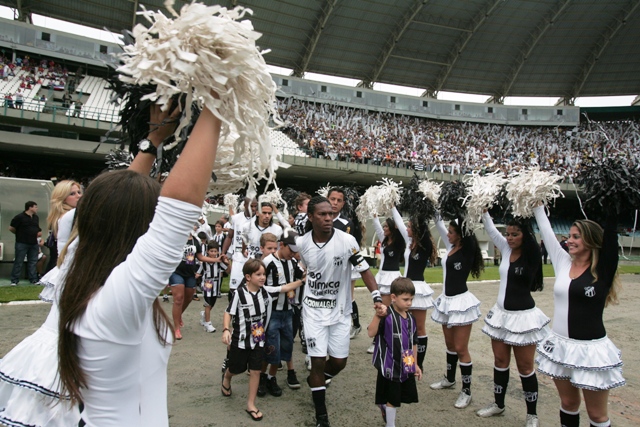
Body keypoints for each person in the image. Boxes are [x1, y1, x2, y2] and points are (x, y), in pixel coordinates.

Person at [57, 99, 222, 426]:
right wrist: (218, 99)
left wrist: (154, 139)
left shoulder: (76, 265)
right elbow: (179, 207)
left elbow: (116, 201)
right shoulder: (116, 299)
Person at [534, 205, 624, 427]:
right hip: (561, 345)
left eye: (577, 237)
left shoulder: (602, 269)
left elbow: (611, 239)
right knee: (568, 403)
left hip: (590, 350)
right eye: (569, 236)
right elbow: (545, 229)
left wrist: (613, 206)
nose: (569, 240)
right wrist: (535, 200)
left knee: (597, 415)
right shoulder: (563, 262)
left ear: (592, 241)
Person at [298, 196, 382, 427]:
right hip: (313, 312)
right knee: (317, 362)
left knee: (338, 362)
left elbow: (364, 270)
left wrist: (376, 297)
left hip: (340, 312)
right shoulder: (303, 243)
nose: (328, 218)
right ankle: (321, 416)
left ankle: (317, 381)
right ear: (311, 217)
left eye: (330, 214)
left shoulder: (347, 241)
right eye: (322, 214)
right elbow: (303, 267)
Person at [478, 213, 549, 427]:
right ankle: (498, 405)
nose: (509, 238)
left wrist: (535, 209)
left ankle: (532, 415)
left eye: (514, 234)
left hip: (523, 318)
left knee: (525, 367)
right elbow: (491, 230)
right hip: (500, 315)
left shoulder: (533, 253)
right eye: (507, 234)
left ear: (524, 235)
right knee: (500, 362)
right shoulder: (506, 249)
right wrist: (483, 209)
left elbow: (542, 231)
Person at [221, 258, 304, 422]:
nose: (262, 277)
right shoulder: (239, 293)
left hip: (258, 339)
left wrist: (302, 281)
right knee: (236, 368)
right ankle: (227, 377)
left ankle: (250, 404)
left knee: (256, 371)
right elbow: (228, 312)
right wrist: (225, 329)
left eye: (264, 274)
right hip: (241, 339)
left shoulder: (266, 291)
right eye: (258, 274)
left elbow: (285, 287)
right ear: (248, 277)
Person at [430, 216, 484, 409]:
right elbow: (438, 223)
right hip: (446, 301)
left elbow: (466, 222)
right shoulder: (451, 247)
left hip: (461, 302)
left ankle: (466, 391)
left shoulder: (468, 250)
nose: (447, 234)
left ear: (461, 235)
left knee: (461, 348)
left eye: (451, 232)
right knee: (450, 344)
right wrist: (435, 207)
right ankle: (449, 379)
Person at [369, 277, 422, 427]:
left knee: (399, 397)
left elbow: (414, 343)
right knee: (393, 398)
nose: (409, 303)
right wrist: (378, 315)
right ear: (393, 297)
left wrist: (415, 365)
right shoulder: (387, 316)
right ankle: (390, 424)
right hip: (389, 365)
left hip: (405, 363)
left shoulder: (411, 319)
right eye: (405, 299)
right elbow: (370, 333)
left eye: (411, 299)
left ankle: (384, 407)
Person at [259, 231, 305, 397]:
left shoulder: (292, 262)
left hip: (288, 311)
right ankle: (262, 378)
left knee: (286, 346)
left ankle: (272, 377)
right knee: (271, 348)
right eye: (290, 249)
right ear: (282, 245)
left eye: (295, 250)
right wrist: (281, 289)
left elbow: (303, 275)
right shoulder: (268, 262)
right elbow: (260, 286)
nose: (293, 253)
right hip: (272, 312)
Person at [391, 205, 436, 372]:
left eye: (410, 226)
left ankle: (419, 364)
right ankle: (409, 362)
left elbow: (422, 225)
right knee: (406, 329)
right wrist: (392, 206)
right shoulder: (410, 242)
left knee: (419, 329)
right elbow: (399, 223)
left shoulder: (424, 244)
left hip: (418, 289)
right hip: (406, 287)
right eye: (407, 226)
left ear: (417, 228)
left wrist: (422, 207)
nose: (407, 228)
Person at [169, 231, 221, 339]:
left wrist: (215, 259)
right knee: (178, 298)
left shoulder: (195, 240)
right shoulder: (175, 236)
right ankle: (176, 328)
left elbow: (200, 257)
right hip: (176, 271)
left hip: (189, 273)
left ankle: (178, 316)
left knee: (188, 297)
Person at [327, 187, 363, 341]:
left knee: (345, 298)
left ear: (342, 204)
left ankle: (353, 325)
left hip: (341, 271)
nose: (334, 203)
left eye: (338, 200)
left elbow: (351, 249)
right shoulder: (316, 219)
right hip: (321, 272)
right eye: (332, 199)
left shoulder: (347, 223)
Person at [367, 212, 405, 354]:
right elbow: (377, 229)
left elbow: (401, 227)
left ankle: (379, 339)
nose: (384, 229)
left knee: (386, 309)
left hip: (392, 277)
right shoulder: (384, 240)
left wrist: (394, 212)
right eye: (384, 226)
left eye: (386, 226)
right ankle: (381, 337)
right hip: (382, 277)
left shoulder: (399, 241)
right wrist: (374, 216)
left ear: (392, 228)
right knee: (382, 308)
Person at [222, 197, 258, 297]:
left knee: (251, 288)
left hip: (253, 257)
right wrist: (223, 252)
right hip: (238, 256)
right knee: (234, 288)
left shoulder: (258, 220)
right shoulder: (236, 218)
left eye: (255, 206)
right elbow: (230, 236)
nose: (254, 209)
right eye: (251, 206)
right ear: (245, 205)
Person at [44, 180, 82, 273]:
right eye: (72, 194)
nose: (78, 196)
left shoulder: (71, 214)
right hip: (72, 264)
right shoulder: (68, 216)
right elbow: (63, 245)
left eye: (79, 192)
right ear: (63, 198)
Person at [197, 241, 228, 333]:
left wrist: (227, 263)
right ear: (207, 252)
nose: (213, 253)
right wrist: (197, 276)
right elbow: (198, 272)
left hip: (216, 284)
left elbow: (228, 270)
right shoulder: (204, 263)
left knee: (212, 302)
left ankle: (204, 316)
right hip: (207, 283)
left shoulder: (219, 263)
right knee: (208, 303)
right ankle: (208, 323)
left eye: (215, 251)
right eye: (211, 251)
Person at [9, 201, 41, 285]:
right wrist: (20, 234)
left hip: (33, 243)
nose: (37, 208)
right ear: (30, 207)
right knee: (19, 261)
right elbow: (11, 228)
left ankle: (33, 279)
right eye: (35, 207)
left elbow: (37, 228)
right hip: (22, 242)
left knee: (33, 262)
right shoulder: (19, 217)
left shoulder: (36, 218)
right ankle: (14, 280)